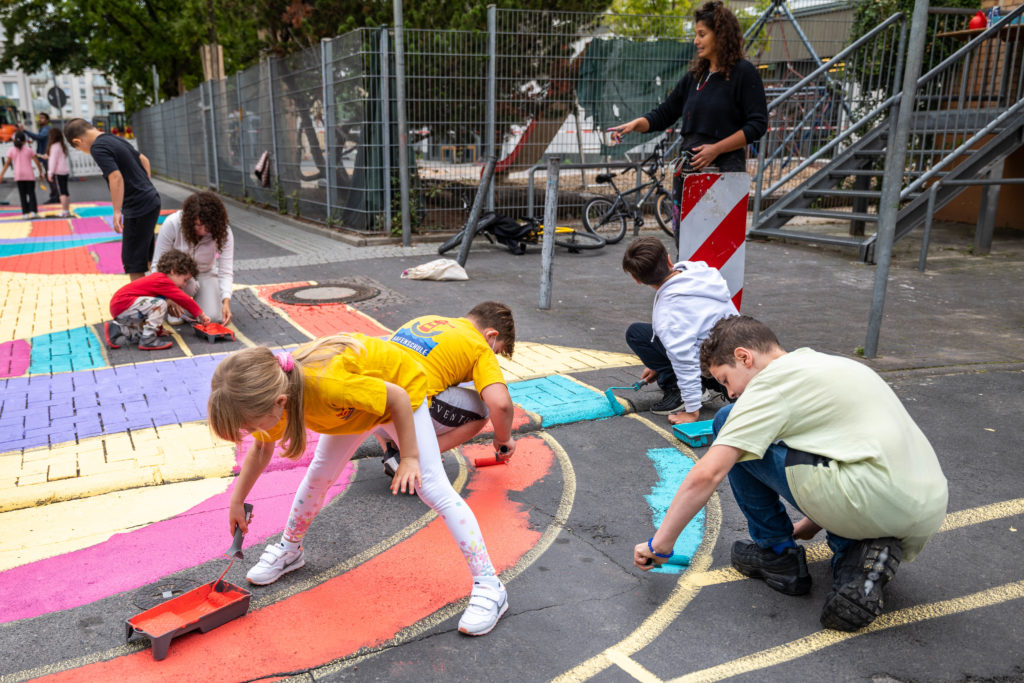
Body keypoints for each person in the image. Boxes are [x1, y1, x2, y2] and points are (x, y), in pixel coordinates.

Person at [634, 315, 948, 632]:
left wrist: (661, 545)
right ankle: (856, 559)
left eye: (726, 380)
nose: (730, 393)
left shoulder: (771, 384)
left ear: (744, 357)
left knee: (728, 421)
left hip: (862, 498)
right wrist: (812, 523)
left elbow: (708, 474)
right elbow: (851, 448)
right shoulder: (837, 366)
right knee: (801, 447)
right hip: (926, 508)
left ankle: (776, 551)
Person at [208, 336, 509, 636]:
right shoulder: (276, 393)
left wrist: (408, 458)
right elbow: (262, 448)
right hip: (355, 408)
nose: (251, 432)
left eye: (249, 426)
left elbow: (398, 398)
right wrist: (237, 500)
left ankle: (490, 585)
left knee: (431, 487)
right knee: (319, 476)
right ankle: (290, 549)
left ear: (280, 403)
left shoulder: (328, 384)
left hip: (402, 395)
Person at [608, 0, 768, 174]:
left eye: (702, 34)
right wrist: (635, 124)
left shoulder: (744, 72)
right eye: (695, 35)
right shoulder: (694, 77)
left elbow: (758, 124)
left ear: (720, 35)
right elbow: (665, 114)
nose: (695, 41)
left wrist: (716, 149)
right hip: (688, 169)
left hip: (724, 171)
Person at [380, 301, 517, 477]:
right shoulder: (480, 346)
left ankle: (391, 450)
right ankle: (419, 457)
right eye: (496, 351)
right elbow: (501, 404)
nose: (493, 355)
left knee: (388, 380)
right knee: (483, 409)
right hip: (407, 410)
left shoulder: (427, 320)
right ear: (491, 335)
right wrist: (503, 438)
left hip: (369, 405)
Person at [621, 236, 736, 424]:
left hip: (720, 369)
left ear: (637, 280)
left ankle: (688, 392)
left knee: (637, 334)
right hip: (739, 350)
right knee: (641, 334)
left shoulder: (668, 314)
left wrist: (692, 411)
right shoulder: (701, 271)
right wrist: (657, 364)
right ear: (668, 259)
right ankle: (709, 386)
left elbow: (685, 362)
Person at [64, 118, 161, 281]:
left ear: (77, 141)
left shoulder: (97, 148)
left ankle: (141, 295)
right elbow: (144, 160)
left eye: (80, 149)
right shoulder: (113, 138)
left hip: (137, 206)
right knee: (145, 255)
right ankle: (152, 290)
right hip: (150, 200)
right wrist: (145, 186)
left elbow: (115, 177)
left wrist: (116, 211)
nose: (85, 152)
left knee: (133, 262)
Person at [150, 191, 235, 325]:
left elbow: (226, 271)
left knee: (213, 317)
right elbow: (157, 265)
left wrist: (226, 301)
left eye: (209, 225)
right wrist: (167, 296)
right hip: (176, 277)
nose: (204, 230)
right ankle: (177, 304)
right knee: (177, 317)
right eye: (199, 225)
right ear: (189, 221)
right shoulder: (173, 223)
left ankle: (191, 304)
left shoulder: (223, 231)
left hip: (205, 273)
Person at [105, 249, 210, 351]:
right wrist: (201, 314)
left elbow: (154, 314)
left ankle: (117, 329)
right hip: (124, 303)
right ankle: (148, 339)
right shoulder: (162, 280)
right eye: (185, 280)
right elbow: (184, 299)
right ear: (173, 271)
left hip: (121, 306)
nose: (184, 285)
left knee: (141, 333)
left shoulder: (161, 282)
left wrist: (158, 331)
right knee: (161, 304)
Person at [0, 131, 46, 218]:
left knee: (22, 195)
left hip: (19, 176)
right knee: (31, 194)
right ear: (24, 141)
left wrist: (1, 175)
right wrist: (41, 172)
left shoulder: (11, 150)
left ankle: (25, 213)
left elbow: (7, 164)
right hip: (29, 175)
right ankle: (33, 211)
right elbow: (37, 162)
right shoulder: (29, 150)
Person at [22, 112, 60, 205]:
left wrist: (25, 131)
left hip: (48, 156)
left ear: (47, 120)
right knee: (49, 176)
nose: (40, 119)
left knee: (50, 177)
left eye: (42, 118)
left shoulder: (47, 129)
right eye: (39, 118)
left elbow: (39, 137)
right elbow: (39, 138)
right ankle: (55, 196)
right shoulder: (43, 129)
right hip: (45, 156)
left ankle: (55, 197)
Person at [41, 127, 72, 217]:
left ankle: (64, 211)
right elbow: (56, 157)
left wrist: (50, 173)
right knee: (65, 192)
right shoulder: (61, 145)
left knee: (61, 193)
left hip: (58, 172)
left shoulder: (54, 146)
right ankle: (67, 210)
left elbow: (53, 161)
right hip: (64, 171)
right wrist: (49, 156)